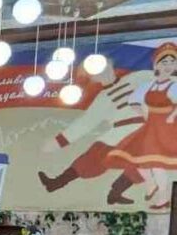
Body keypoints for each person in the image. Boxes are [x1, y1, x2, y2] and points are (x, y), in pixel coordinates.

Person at [38, 58, 151, 205]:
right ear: (93, 77)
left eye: (104, 68)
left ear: (110, 65)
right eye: (97, 72)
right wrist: (59, 142)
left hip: (142, 130)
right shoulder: (102, 99)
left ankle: (115, 192)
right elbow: (86, 123)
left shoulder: (137, 78)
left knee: (144, 162)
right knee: (92, 158)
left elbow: (163, 78)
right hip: (117, 132)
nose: (103, 73)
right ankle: (56, 183)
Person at [104, 42, 177, 209]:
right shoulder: (147, 86)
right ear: (156, 65)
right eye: (164, 62)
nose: (168, 66)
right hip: (151, 126)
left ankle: (163, 198)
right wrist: (145, 113)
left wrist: (171, 116)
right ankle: (150, 183)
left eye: (172, 62)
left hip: (166, 128)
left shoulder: (174, 86)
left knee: (157, 164)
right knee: (136, 158)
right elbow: (134, 102)